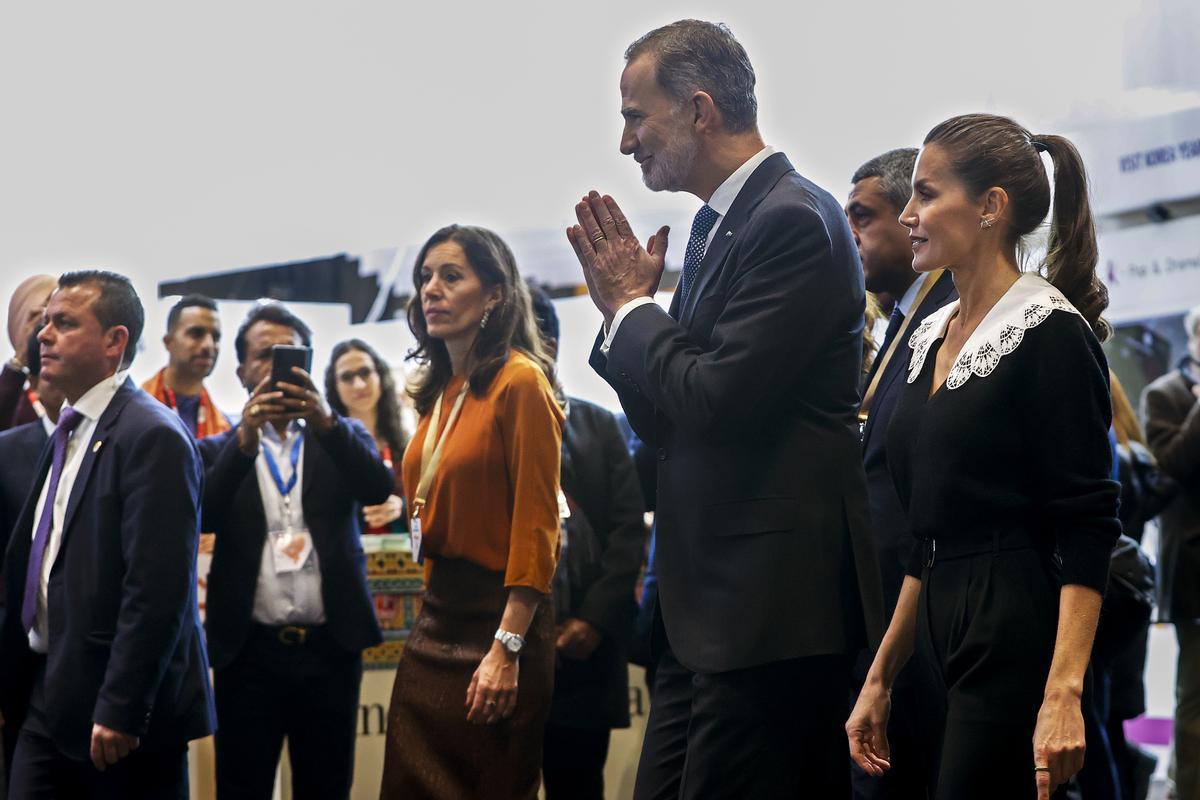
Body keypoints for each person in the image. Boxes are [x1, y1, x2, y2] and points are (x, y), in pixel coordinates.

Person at [567, 20, 884, 797]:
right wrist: (626, 317)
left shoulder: (791, 219)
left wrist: (633, 309)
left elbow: (711, 399)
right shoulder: (718, 225)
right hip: (705, 616)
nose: (625, 142)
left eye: (635, 116)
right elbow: (672, 422)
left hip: (769, 617)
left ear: (699, 110)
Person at [846, 114, 1122, 800]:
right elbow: (925, 535)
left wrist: (1063, 692)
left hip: (1011, 617)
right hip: (931, 623)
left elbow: (1088, 525)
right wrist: (880, 677)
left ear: (991, 207)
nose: (910, 214)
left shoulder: (1051, 332)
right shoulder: (925, 336)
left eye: (927, 194)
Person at [0, 270, 215, 798]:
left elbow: (157, 590)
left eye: (65, 323)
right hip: (46, 691)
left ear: (115, 342)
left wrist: (122, 705)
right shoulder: (72, 429)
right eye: (45, 322)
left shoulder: (153, 435)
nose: (44, 335)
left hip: (116, 712)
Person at [379, 225, 563, 800]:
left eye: (450, 276)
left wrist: (506, 649)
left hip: (498, 624)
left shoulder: (521, 382)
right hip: (436, 619)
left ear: (494, 295)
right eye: (424, 277)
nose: (430, 289)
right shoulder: (439, 393)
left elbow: (538, 526)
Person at [197, 301, 391, 800]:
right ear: (241, 371)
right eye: (263, 355)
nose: (275, 366)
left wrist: (326, 421)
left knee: (326, 787)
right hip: (248, 652)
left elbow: (377, 488)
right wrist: (246, 439)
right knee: (243, 786)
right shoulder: (218, 449)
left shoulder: (339, 436)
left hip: (330, 649)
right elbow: (204, 516)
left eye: (289, 355)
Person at [847, 147, 958, 798]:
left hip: (929, 625)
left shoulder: (953, 316)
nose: (851, 234)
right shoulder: (901, 323)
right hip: (889, 620)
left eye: (863, 215)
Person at [528, 285, 647, 800]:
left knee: (578, 784)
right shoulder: (484, 426)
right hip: (505, 647)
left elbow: (627, 532)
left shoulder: (597, 425)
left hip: (584, 648)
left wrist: (593, 620)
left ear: (550, 343)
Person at [1140, 304, 1200, 800]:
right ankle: (1187, 787)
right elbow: (1170, 468)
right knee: (1195, 694)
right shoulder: (1166, 396)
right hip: (1194, 572)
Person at [324, 338, 407, 534]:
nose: (359, 385)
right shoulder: (324, 449)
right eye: (347, 377)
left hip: (404, 558)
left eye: (365, 373)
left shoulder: (407, 443)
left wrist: (402, 508)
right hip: (349, 557)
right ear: (334, 386)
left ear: (379, 375)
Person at [142, 294, 230, 439]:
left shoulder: (224, 427)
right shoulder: (135, 410)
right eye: (196, 333)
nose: (209, 345)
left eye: (215, 337)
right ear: (168, 342)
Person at [0, 275, 57, 432]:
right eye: (43, 318)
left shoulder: (79, 377)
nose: (47, 330)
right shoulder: (14, 396)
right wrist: (21, 357)